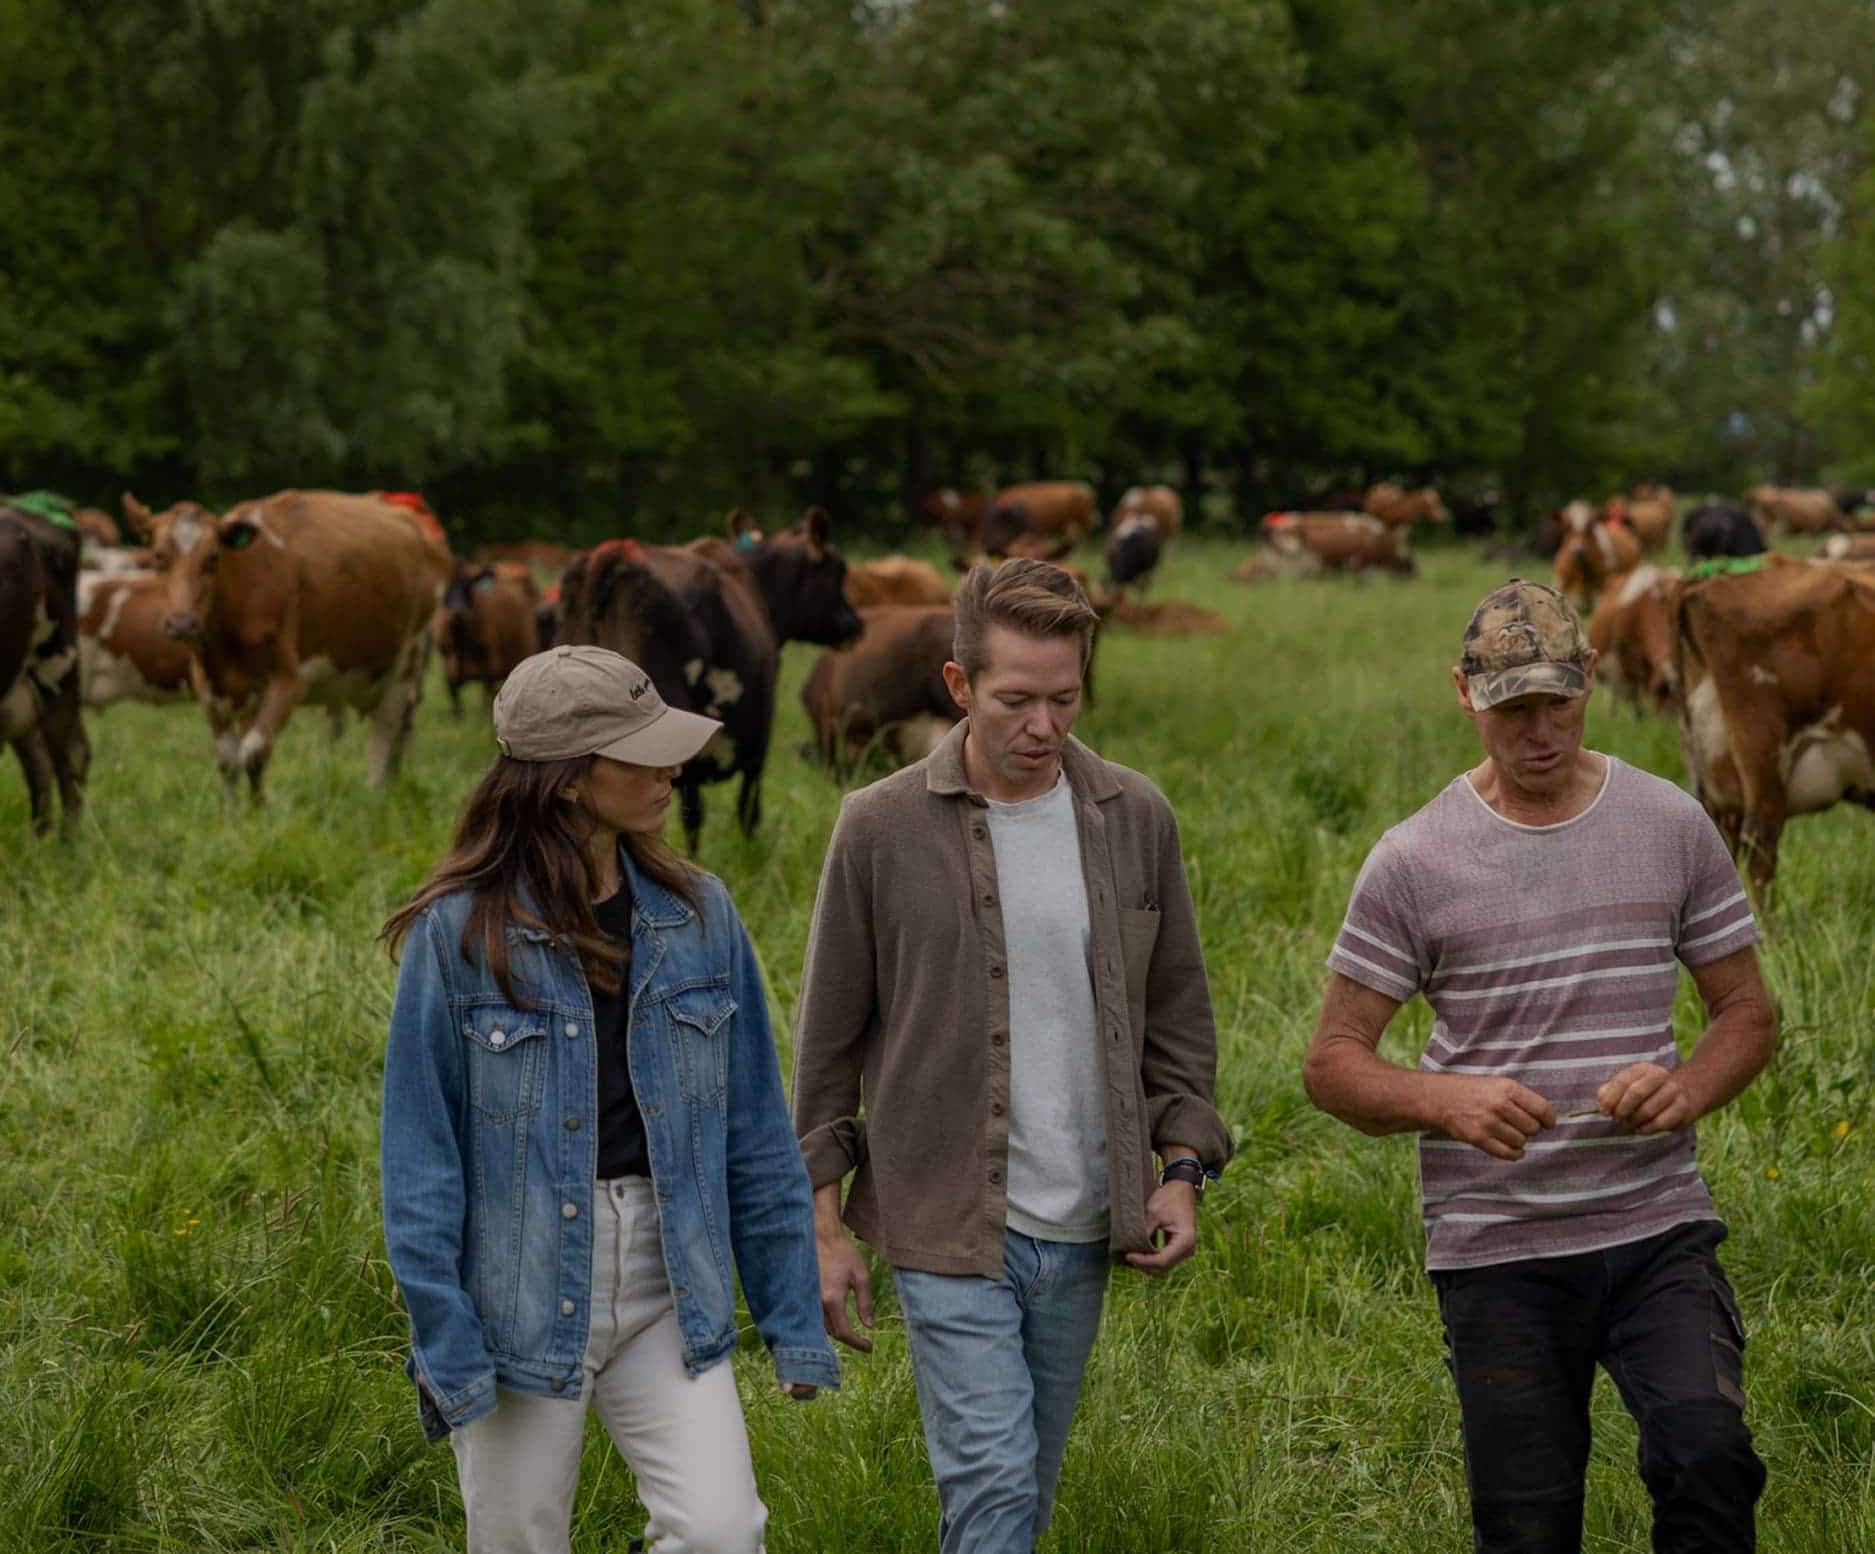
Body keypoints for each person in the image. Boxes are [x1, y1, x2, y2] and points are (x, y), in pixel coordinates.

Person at [1302, 578, 1777, 1554]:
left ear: (1592, 678)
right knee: (1526, 1526)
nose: (1539, 731)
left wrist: (1685, 1086)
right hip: (1499, 1251)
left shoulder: (1669, 823)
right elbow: (1333, 1065)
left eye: (1557, 702)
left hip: (1656, 1230)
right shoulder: (1414, 860)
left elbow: (1747, 1015)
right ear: (1464, 693)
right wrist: (1447, 1101)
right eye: (1511, 708)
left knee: (1708, 1458)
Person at [791, 558, 1233, 1553]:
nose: (1044, 725)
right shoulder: (879, 827)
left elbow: (1179, 1024)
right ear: (959, 686)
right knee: (992, 1487)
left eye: (1066, 699)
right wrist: (823, 1226)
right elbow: (824, 1049)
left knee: (1020, 1497)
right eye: (1016, 700)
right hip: (944, 1219)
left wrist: (1183, 1172)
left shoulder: (1137, 818)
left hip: (1082, 1221)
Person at [379, 645, 836, 1554]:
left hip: (669, 1280)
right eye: (643, 751)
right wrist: (443, 1330)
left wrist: (791, 1316)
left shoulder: (701, 914)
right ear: (569, 780)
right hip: (517, 1288)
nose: (675, 766)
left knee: (721, 1533)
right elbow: (419, 1155)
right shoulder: (458, 933)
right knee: (518, 1540)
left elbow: (753, 1130)